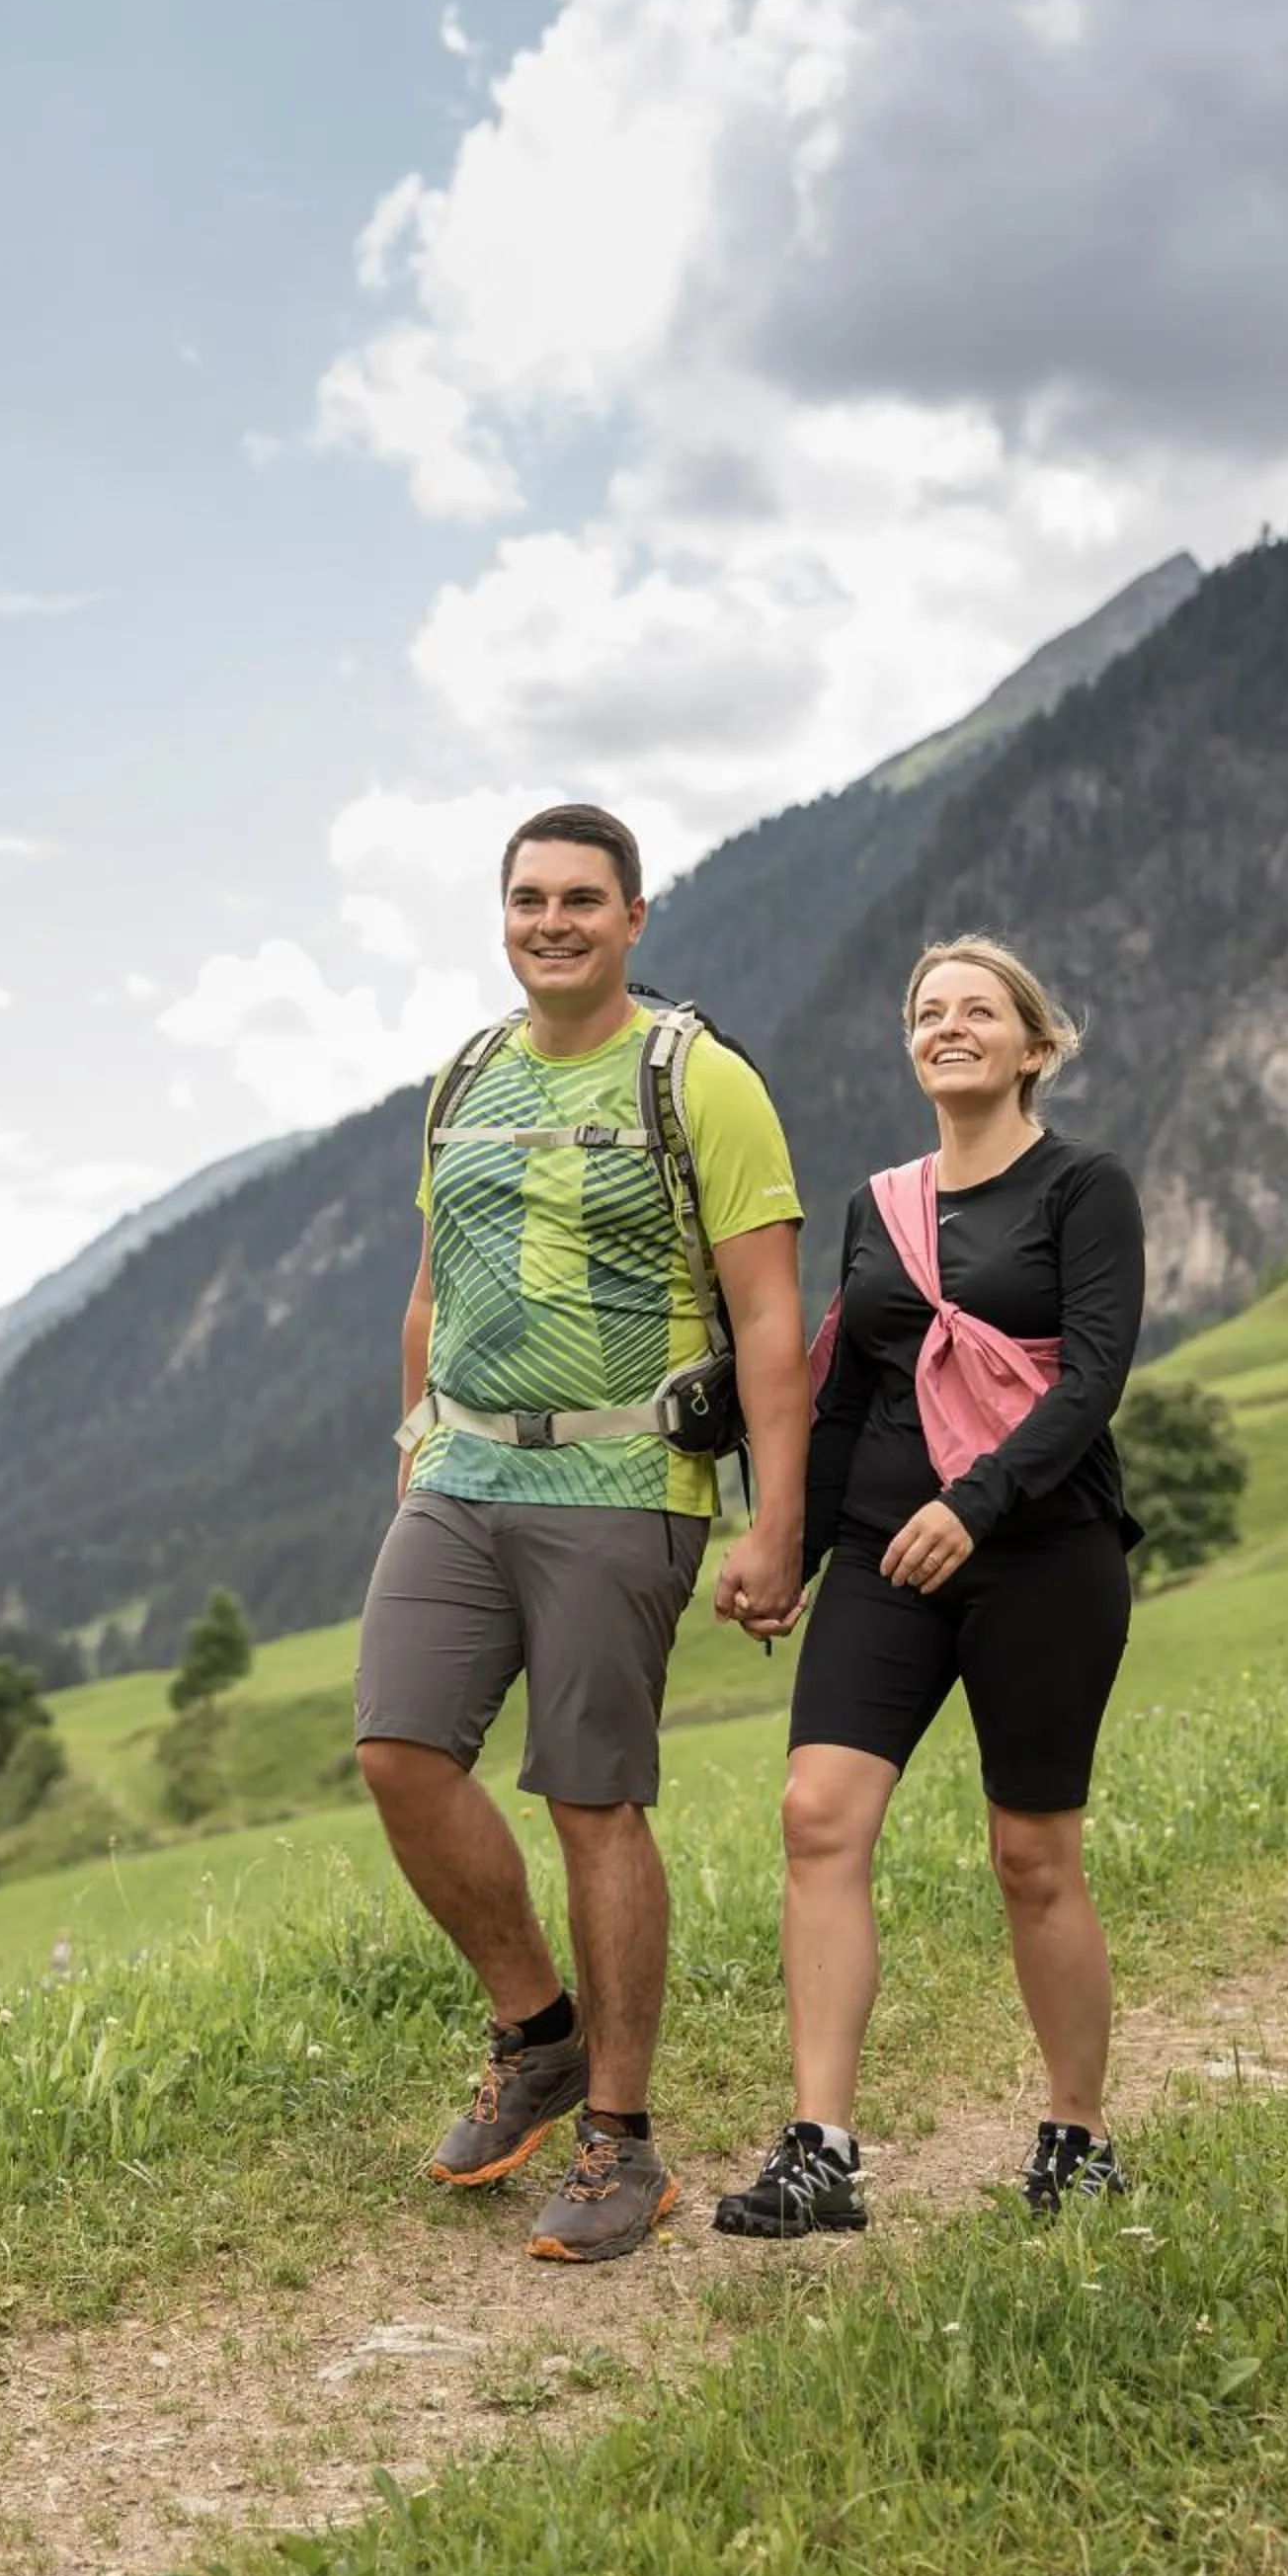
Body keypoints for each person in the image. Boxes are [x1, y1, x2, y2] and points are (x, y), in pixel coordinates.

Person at [354, 801, 809, 2264]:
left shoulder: (700, 1079)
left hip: (623, 1488)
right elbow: (435, 1279)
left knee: (590, 1799)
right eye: (529, 898)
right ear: (504, 916)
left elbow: (768, 1321)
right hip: (462, 1476)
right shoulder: (468, 1075)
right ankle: (535, 2035)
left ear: (633, 921)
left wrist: (773, 1525)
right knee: (398, 1751)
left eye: (583, 900)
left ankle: (622, 2139)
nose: (553, 921)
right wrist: (416, 1430)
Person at [713, 935, 1146, 2242]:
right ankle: (822, 2148)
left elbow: (1093, 1379)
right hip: (888, 1555)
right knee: (817, 1815)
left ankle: (1075, 2135)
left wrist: (979, 1502)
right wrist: (784, 1540)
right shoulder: (879, 1205)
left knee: (1032, 1855)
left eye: (978, 1011)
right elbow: (846, 1393)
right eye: (927, 1012)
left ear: (1031, 1046)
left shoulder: (1085, 1186)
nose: (948, 1026)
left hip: (1039, 1550)